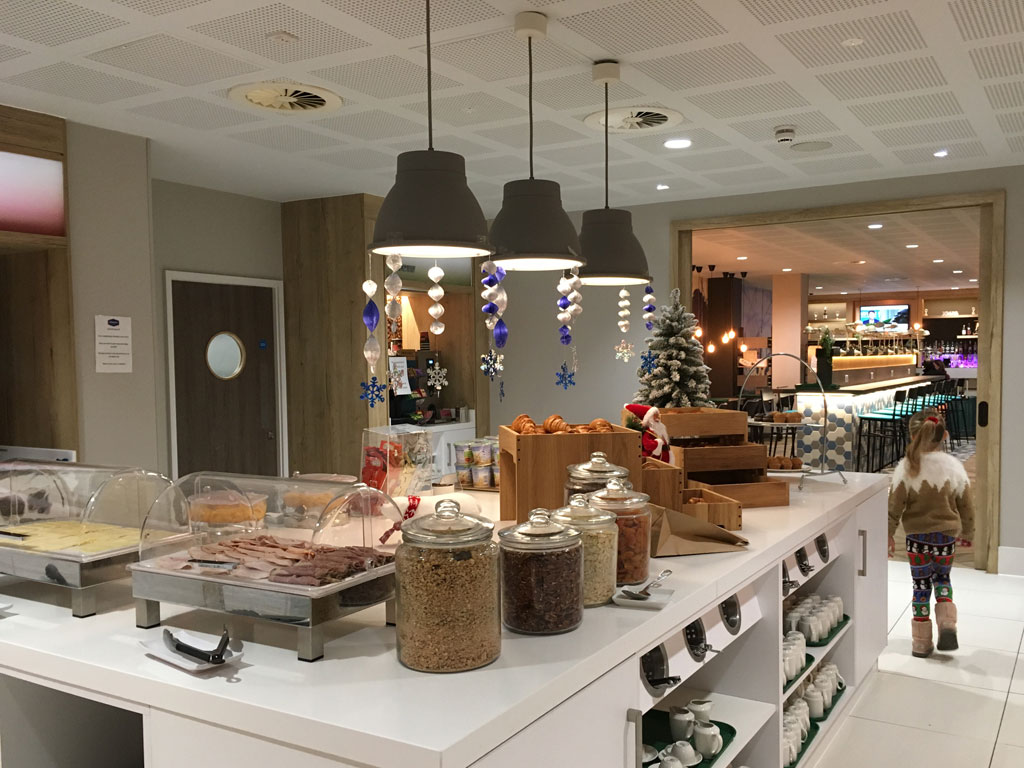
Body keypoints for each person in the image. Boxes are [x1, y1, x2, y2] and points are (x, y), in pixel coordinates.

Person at [887, 410, 974, 658]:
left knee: (921, 585)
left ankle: (920, 643)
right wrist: (968, 532)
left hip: (917, 539)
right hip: (946, 538)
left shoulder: (906, 468)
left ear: (912, 436)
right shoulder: (953, 467)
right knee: (942, 579)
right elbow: (966, 505)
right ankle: (947, 623)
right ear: (944, 435)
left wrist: (888, 535)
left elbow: (894, 507)